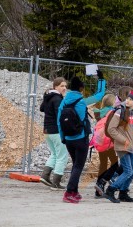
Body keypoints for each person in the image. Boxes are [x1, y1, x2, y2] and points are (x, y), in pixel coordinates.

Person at [56, 71, 106, 203]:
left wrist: (63, 137)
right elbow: (99, 95)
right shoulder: (82, 101)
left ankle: (75, 191)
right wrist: (101, 79)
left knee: (75, 165)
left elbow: (58, 121)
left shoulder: (63, 102)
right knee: (78, 166)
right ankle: (69, 192)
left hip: (68, 139)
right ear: (81, 88)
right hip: (81, 138)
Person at [105, 91, 133, 203]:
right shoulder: (120, 111)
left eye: (131, 99)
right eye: (127, 98)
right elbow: (111, 129)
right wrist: (123, 140)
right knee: (128, 171)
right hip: (122, 146)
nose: (128, 101)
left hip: (131, 146)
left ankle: (123, 193)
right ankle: (111, 190)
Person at [39, 77, 68, 190]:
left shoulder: (49, 97)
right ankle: (56, 182)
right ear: (55, 86)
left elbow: (42, 108)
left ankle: (45, 176)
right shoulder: (57, 99)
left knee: (55, 154)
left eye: (65, 86)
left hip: (47, 130)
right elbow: (60, 116)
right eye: (62, 86)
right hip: (56, 131)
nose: (64, 88)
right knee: (62, 156)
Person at [92, 94, 120, 200]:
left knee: (103, 164)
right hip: (109, 142)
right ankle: (101, 183)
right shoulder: (112, 112)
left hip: (100, 141)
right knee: (115, 164)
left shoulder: (98, 112)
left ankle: (98, 191)